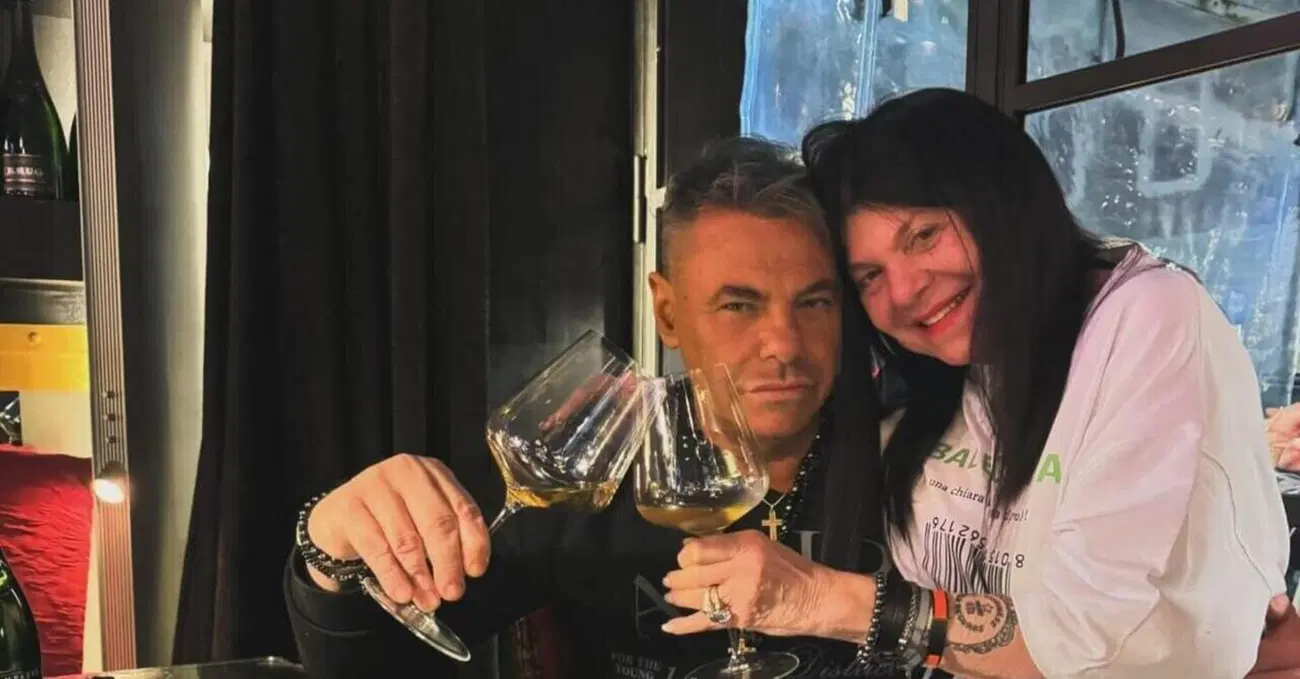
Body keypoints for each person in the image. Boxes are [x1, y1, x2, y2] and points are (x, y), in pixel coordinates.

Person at [653, 87, 1294, 679]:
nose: (905, 291)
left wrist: (815, 598)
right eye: (870, 276)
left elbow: (1077, 637)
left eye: (924, 235)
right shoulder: (935, 387)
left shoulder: (1143, 313)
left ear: (1001, 202)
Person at [283, 138, 890, 678]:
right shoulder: (590, 462)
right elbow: (374, 663)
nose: (784, 345)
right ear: (668, 313)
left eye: (814, 303)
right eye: (738, 306)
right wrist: (328, 550)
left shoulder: (912, 457)